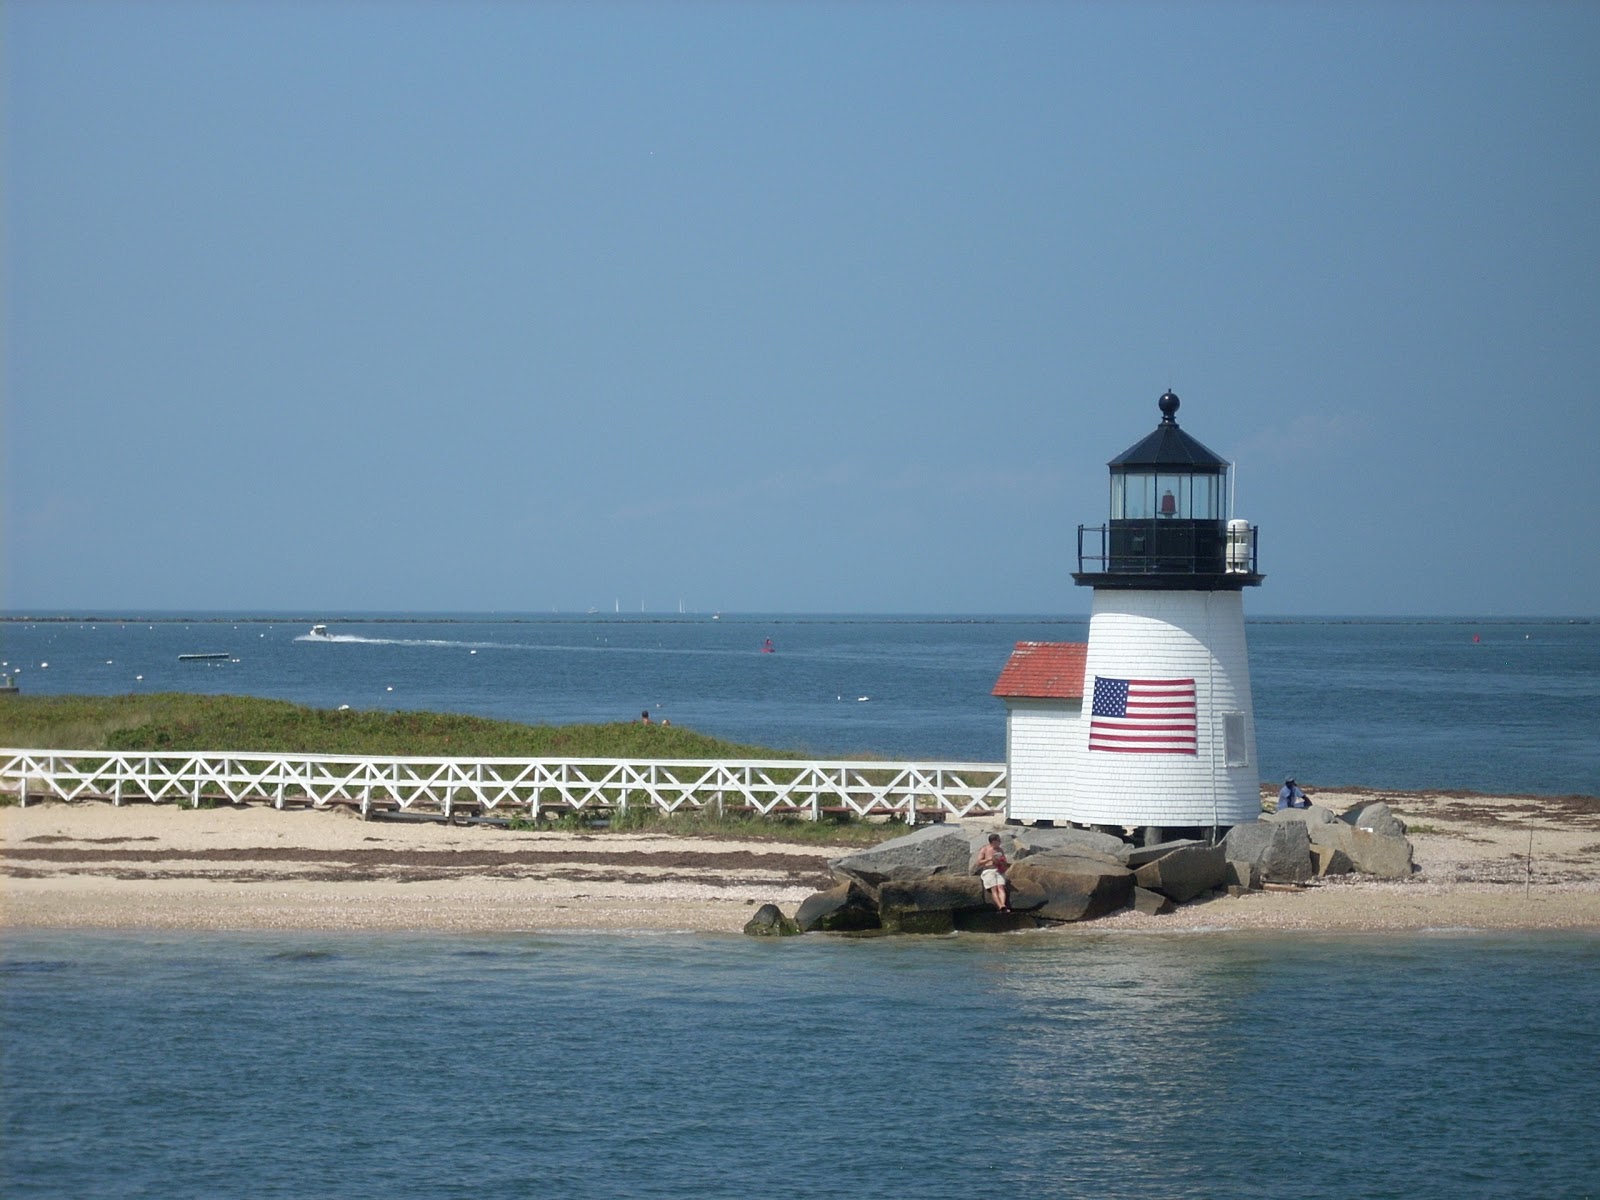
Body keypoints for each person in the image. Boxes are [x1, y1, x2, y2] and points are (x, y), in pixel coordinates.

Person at [975, 833, 1011, 913]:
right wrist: (989, 859)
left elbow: (1005, 862)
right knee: (994, 888)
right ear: (993, 841)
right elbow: (978, 862)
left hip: (998, 870)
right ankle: (1000, 906)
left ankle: (1003, 904)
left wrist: (1000, 862)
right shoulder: (984, 849)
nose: (1000, 842)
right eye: (998, 841)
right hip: (988, 870)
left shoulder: (1000, 850)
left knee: (1000, 887)